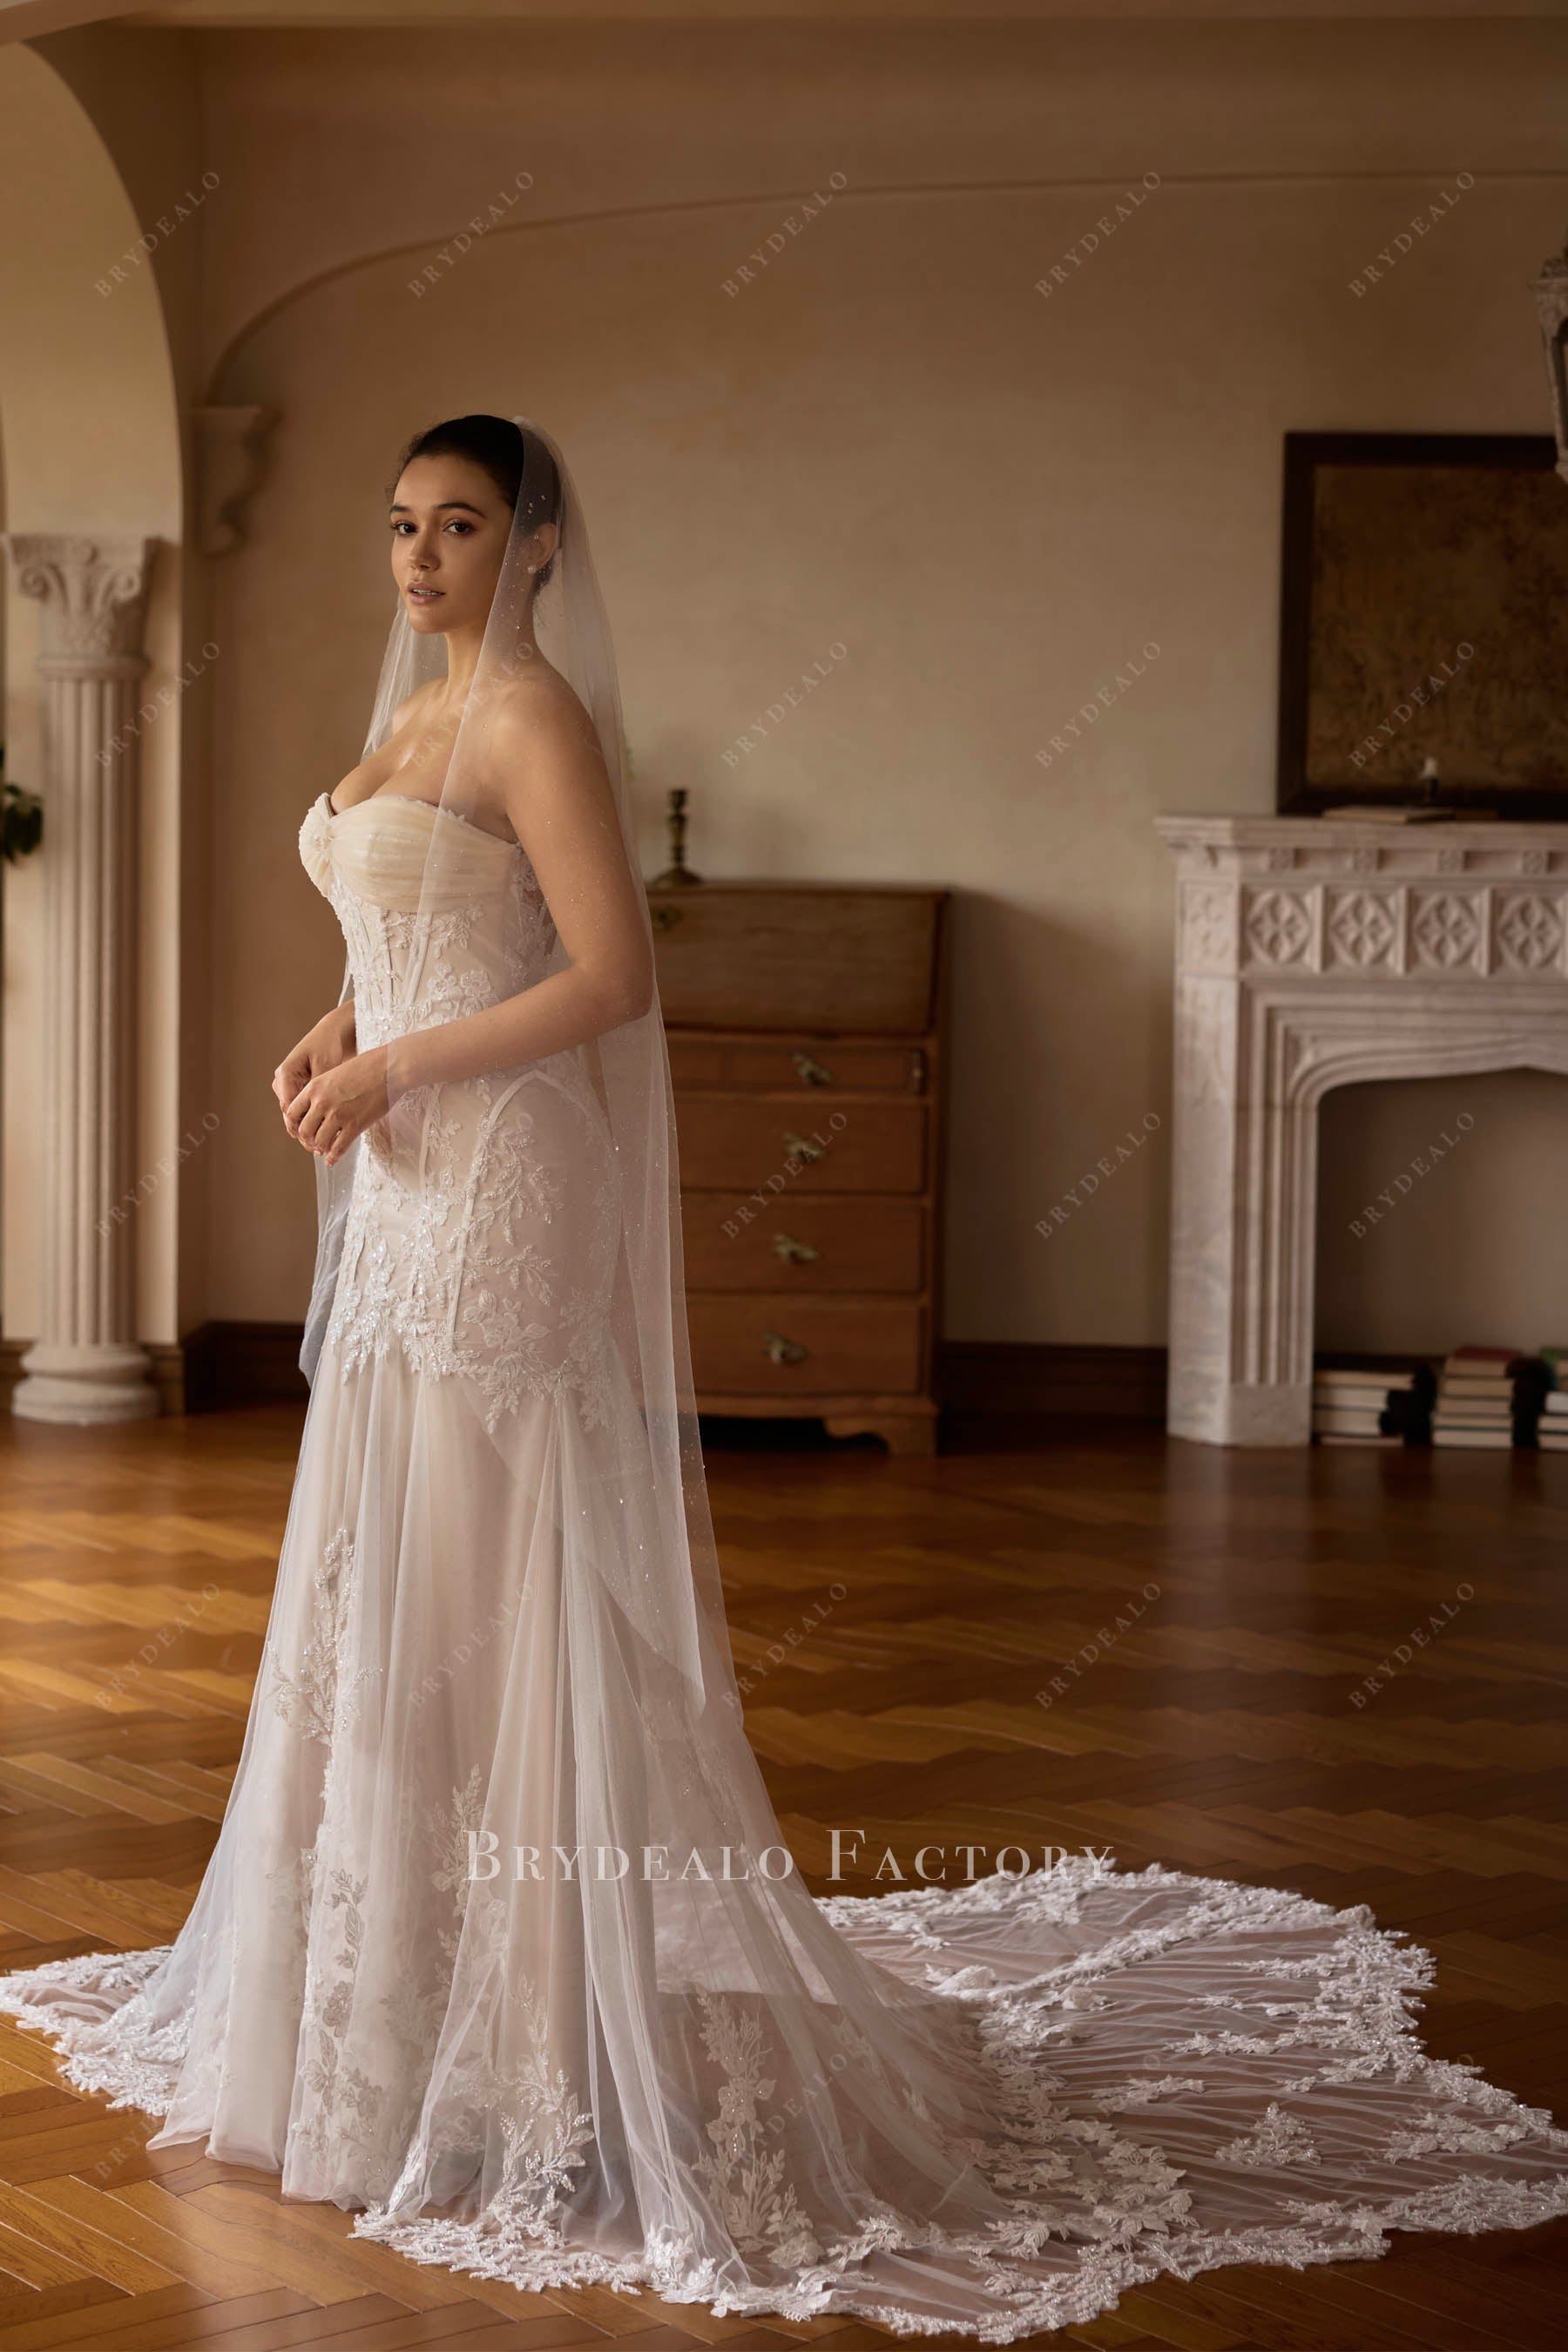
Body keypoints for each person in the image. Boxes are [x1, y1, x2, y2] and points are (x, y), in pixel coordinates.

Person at [3, 415, 1565, 2339]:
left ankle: (537, 2045)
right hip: (407, 1178)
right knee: (390, 1590)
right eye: (400, 526)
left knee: (493, 1604)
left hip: (498, 1184)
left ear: (540, 541)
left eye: (460, 526)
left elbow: (608, 980)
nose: (417, 558)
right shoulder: (410, 718)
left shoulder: (534, 720)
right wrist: (334, 1033)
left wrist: (400, 1070)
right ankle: (392, 2007)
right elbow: (419, 933)